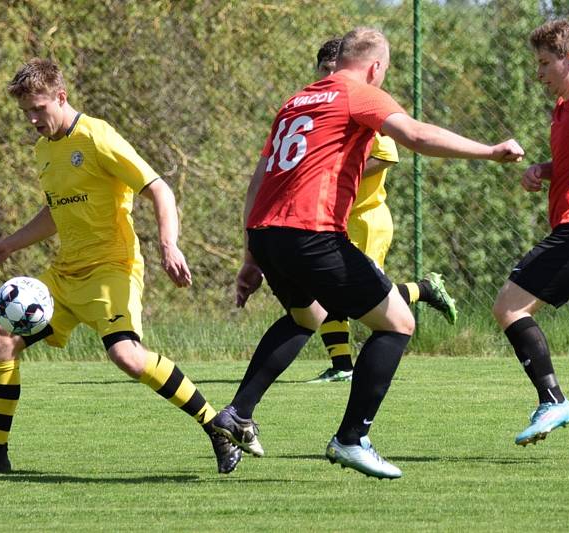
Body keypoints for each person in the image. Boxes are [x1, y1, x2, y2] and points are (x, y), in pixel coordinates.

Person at [212, 27, 523, 479]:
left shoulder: (295, 102)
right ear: (375, 67)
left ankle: (238, 414)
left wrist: (250, 255)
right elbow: (414, 135)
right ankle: (351, 439)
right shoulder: (358, 93)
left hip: (267, 231)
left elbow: (259, 176)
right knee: (398, 323)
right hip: (311, 232)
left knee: (308, 316)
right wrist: (490, 151)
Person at [0, 58, 241, 475]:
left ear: (61, 97)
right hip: (65, 276)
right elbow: (55, 211)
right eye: (25, 111)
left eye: (39, 108)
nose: (32, 119)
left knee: (128, 357)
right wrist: (9, 245)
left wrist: (168, 244)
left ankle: (217, 425)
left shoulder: (97, 137)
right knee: (1, 340)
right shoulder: (45, 149)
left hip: (111, 270)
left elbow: (158, 188)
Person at [492, 20, 569, 446]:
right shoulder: (564, 111)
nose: (538, 73)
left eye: (545, 63)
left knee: (509, 307)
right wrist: (543, 171)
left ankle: (552, 399)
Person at [309, 38, 458, 384]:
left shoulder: (363, 104)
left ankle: (424, 289)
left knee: (358, 294)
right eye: (325, 70)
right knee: (326, 289)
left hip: (366, 219)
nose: (332, 75)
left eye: (336, 69)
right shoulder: (321, 105)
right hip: (333, 220)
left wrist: (340, 169)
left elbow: (388, 154)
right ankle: (342, 365)